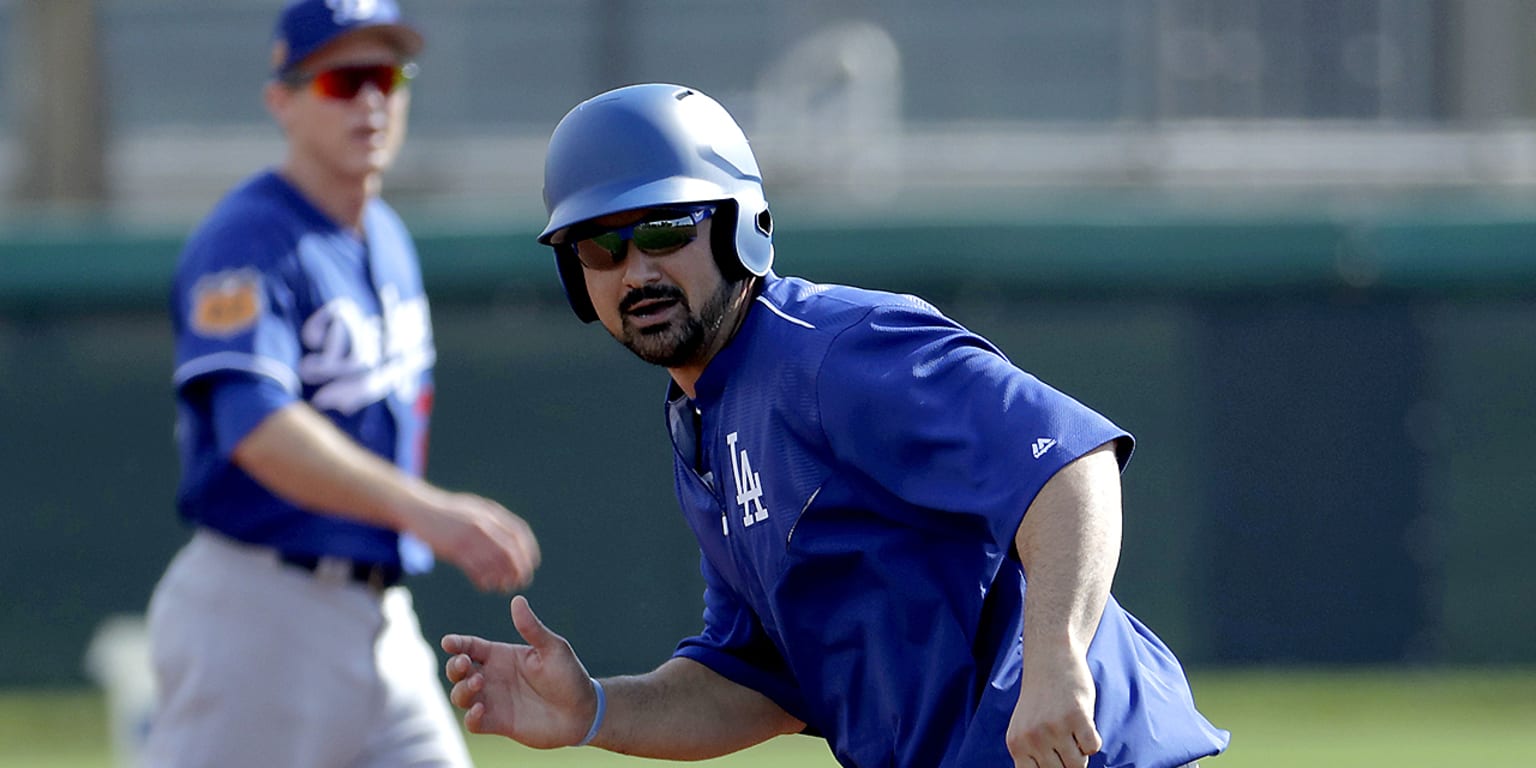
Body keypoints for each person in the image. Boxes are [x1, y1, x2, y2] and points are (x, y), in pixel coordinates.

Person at [441, 83, 1229, 768]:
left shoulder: (835, 352)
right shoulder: (702, 421)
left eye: (665, 229)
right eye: (602, 245)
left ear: (735, 225)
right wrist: (594, 713)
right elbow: (758, 682)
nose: (637, 270)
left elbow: (1069, 465)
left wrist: (1059, 659)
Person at [145, 2, 541, 766]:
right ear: (282, 100)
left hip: (378, 612)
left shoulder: (386, 235)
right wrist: (428, 512)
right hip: (258, 611)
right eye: (344, 79)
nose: (371, 100)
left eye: (389, 76)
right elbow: (255, 426)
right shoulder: (247, 238)